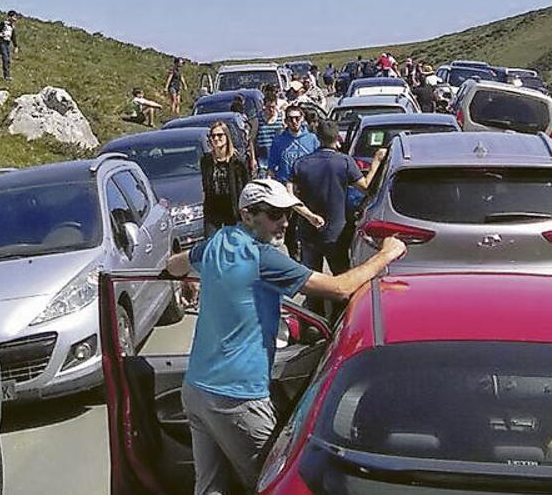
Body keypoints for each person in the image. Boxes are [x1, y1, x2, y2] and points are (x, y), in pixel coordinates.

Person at [162, 179, 406, 495]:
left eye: (286, 214)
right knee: (277, 484)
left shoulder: (219, 241)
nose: (284, 222)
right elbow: (340, 288)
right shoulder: (265, 258)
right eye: (275, 214)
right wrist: (386, 254)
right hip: (239, 397)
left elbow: (174, 265)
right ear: (247, 214)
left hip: (196, 388)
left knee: (209, 486)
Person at [292, 121, 386, 311]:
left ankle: (313, 323)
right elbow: (366, 186)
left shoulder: (301, 164)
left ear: (318, 138)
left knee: (312, 281)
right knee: (341, 280)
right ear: (337, 139)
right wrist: (376, 160)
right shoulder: (344, 162)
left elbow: (291, 195)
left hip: (309, 232)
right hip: (336, 232)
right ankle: (338, 319)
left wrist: (309, 215)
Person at [268, 105, 321, 257]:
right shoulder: (279, 141)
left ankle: (307, 255)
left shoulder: (312, 139)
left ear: (302, 119)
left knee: (308, 224)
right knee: (289, 228)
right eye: (290, 119)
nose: (294, 122)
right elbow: (272, 167)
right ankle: (294, 256)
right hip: (286, 191)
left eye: (297, 118)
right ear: (285, 121)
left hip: (307, 190)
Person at [200, 121, 251, 236]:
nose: (216, 138)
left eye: (220, 135)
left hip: (233, 210)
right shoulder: (206, 161)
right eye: (213, 136)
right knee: (212, 244)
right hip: (213, 211)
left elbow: (246, 186)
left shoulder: (238, 161)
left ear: (227, 137)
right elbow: (206, 187)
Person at [0, 10, 19, 81]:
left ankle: (8, 75)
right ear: (10, 17)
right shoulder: (4, 24)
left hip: (7, 43)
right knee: (5, 57)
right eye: (14, 17)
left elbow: (13, 36)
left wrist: (15, 46)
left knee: (8, 59)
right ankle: (6, 75)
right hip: (2, 42)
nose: (15, 18)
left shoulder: (12, 27)